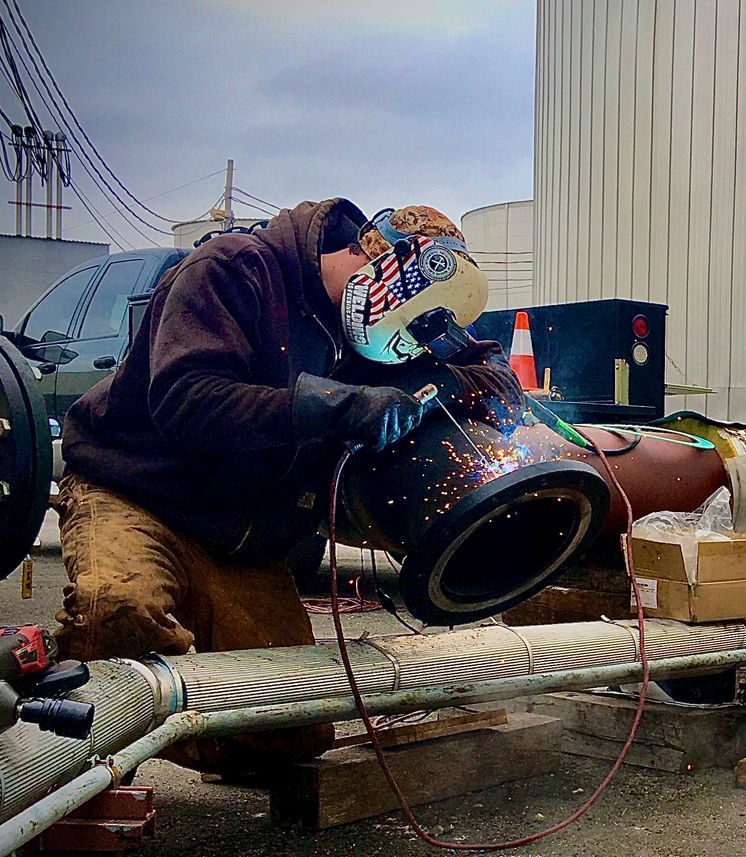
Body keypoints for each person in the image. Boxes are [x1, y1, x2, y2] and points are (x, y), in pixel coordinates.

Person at [55, 199, 522, 772]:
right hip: (137, 493)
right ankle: (68, 759)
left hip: (239, 533)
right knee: (117, 608)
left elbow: (489, 368)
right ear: (372, 260)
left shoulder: (387, 326)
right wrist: (335, 405)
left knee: (290, 731)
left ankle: (148, 724)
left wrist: (452, 385)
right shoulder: (232, 270)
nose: (400, 343)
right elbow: (186, 400)